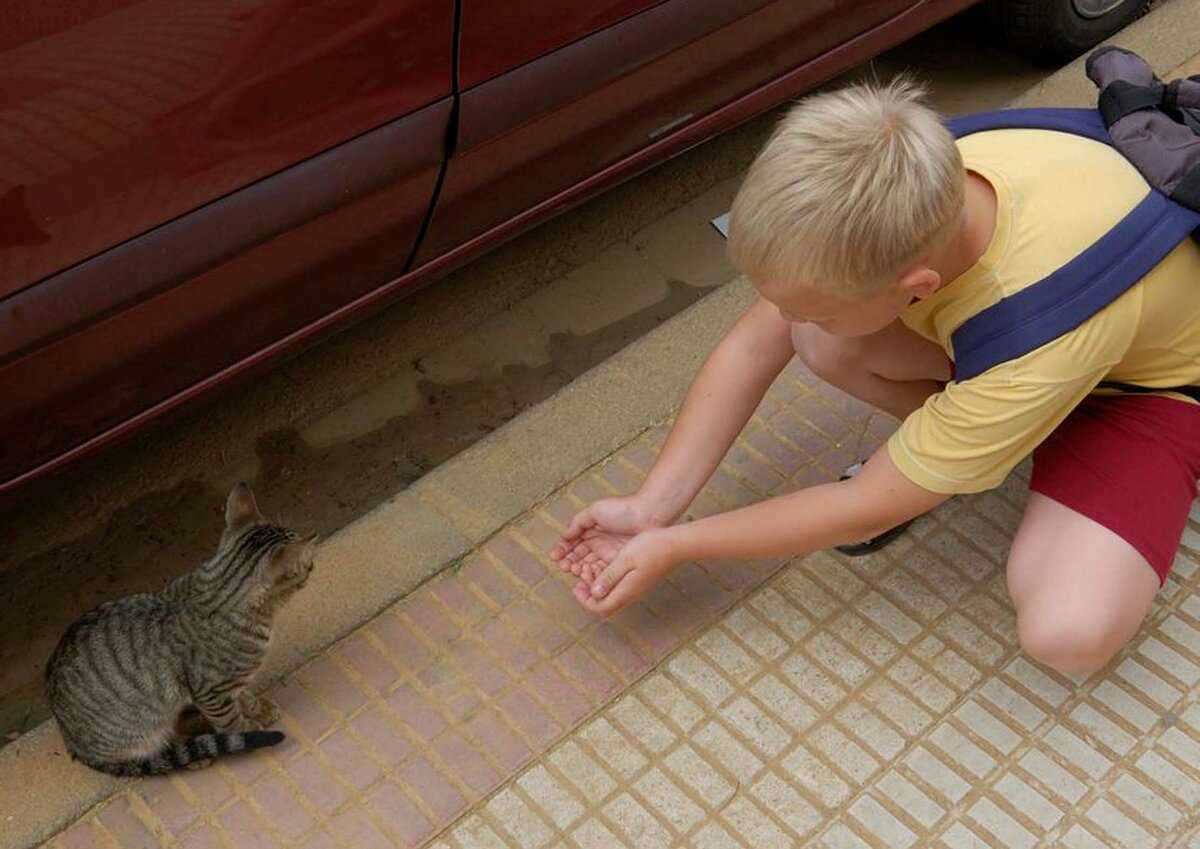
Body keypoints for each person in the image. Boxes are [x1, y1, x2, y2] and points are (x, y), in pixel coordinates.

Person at [549, 78, 1200, 678]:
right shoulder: (917, 179)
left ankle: (989, 448)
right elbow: (754, 343)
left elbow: (864, 507)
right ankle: (973, 446)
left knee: (1067, 633)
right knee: (822, 342)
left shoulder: (1037, 324)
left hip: (1147, 390)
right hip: (1049, 346)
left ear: (914, 285)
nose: (789, 314)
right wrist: (652, 506)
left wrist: (678, 546)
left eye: (815, 301)